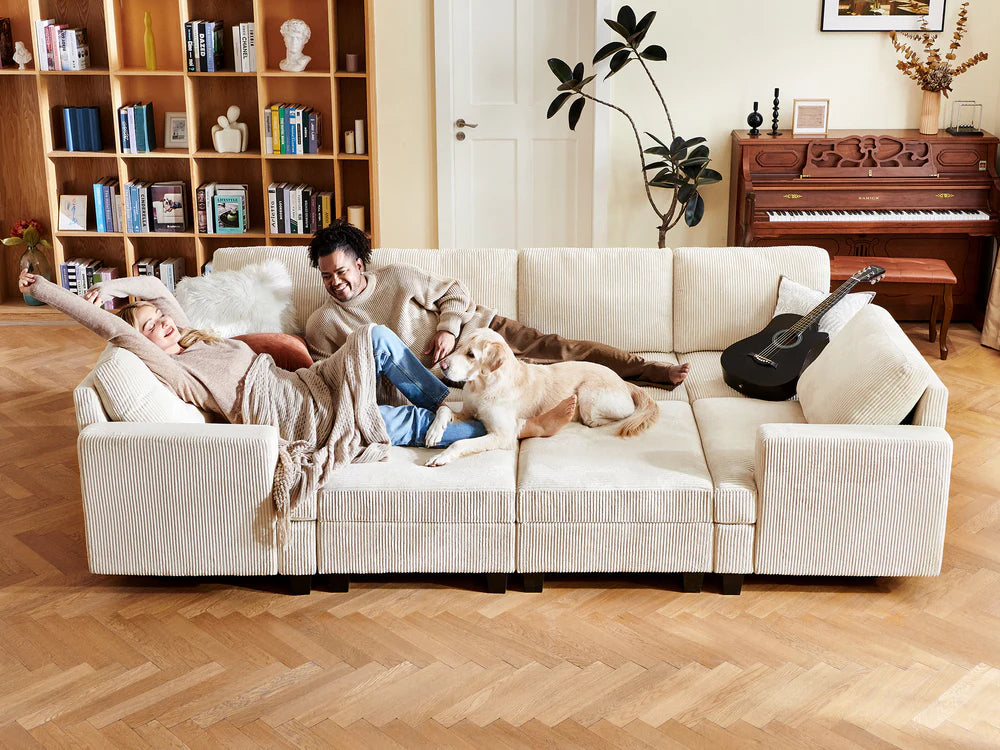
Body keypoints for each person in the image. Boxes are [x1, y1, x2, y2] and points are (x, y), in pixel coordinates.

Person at [17, 271, 574, 524]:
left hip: (304, 386)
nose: (161, 322)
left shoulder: (192, 336)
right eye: (150, 325)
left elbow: (160, 289)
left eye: (160, 318)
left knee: (374, 339)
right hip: (287, 413)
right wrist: (49, 292)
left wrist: (118, 288)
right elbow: (118, 332)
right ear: (144, 341)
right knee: (379, 420)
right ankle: (511, 429)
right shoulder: (175, 369)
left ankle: (446, 403)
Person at [304, 219, 690, 388]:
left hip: (482, 332)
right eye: (326, 276)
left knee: (564, 351)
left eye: (341, 272)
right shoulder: (323, 323)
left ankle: (650, 370)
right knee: (556, 383)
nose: (335, 283)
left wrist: (446, 328)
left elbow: (455, 292)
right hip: (446, 375)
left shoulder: (399, 277)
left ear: (358, 264)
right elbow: (331, 373)